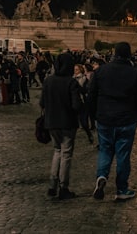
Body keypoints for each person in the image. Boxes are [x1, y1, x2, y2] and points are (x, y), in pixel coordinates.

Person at [88, 41, 137, 201]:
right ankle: (121, 188)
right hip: (126, 120)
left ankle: (101, 177)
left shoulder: (100, 71)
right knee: (123, 155)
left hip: (105, 119)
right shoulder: (134, 73)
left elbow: (91, 95)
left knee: (105, 150)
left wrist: (95, 114)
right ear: (129, 55)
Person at [41, 52, 84, 199]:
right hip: (67, 122)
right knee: (66, 154)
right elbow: (76, 105)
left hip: (51, 122)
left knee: (57, 151)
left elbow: (42, 103)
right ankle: (63, 187)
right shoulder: (71, 82)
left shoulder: (48, 81)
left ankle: (52, 185)